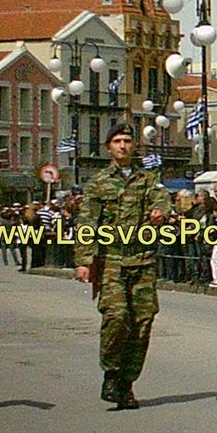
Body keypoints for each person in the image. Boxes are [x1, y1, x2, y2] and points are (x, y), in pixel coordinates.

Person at [74, 123, 171, 410]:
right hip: (112, 261)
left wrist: (160, 212)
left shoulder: (147, 179)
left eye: (128, 140)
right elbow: (87, 223)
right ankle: (112, 371)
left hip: (142, 261)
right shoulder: (99, 183)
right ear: (108, 147)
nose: (123, 146)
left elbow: (162, 199)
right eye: (117, 141)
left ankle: (127, 384)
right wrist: (83, 260)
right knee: (117, 318)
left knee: (142, 324)